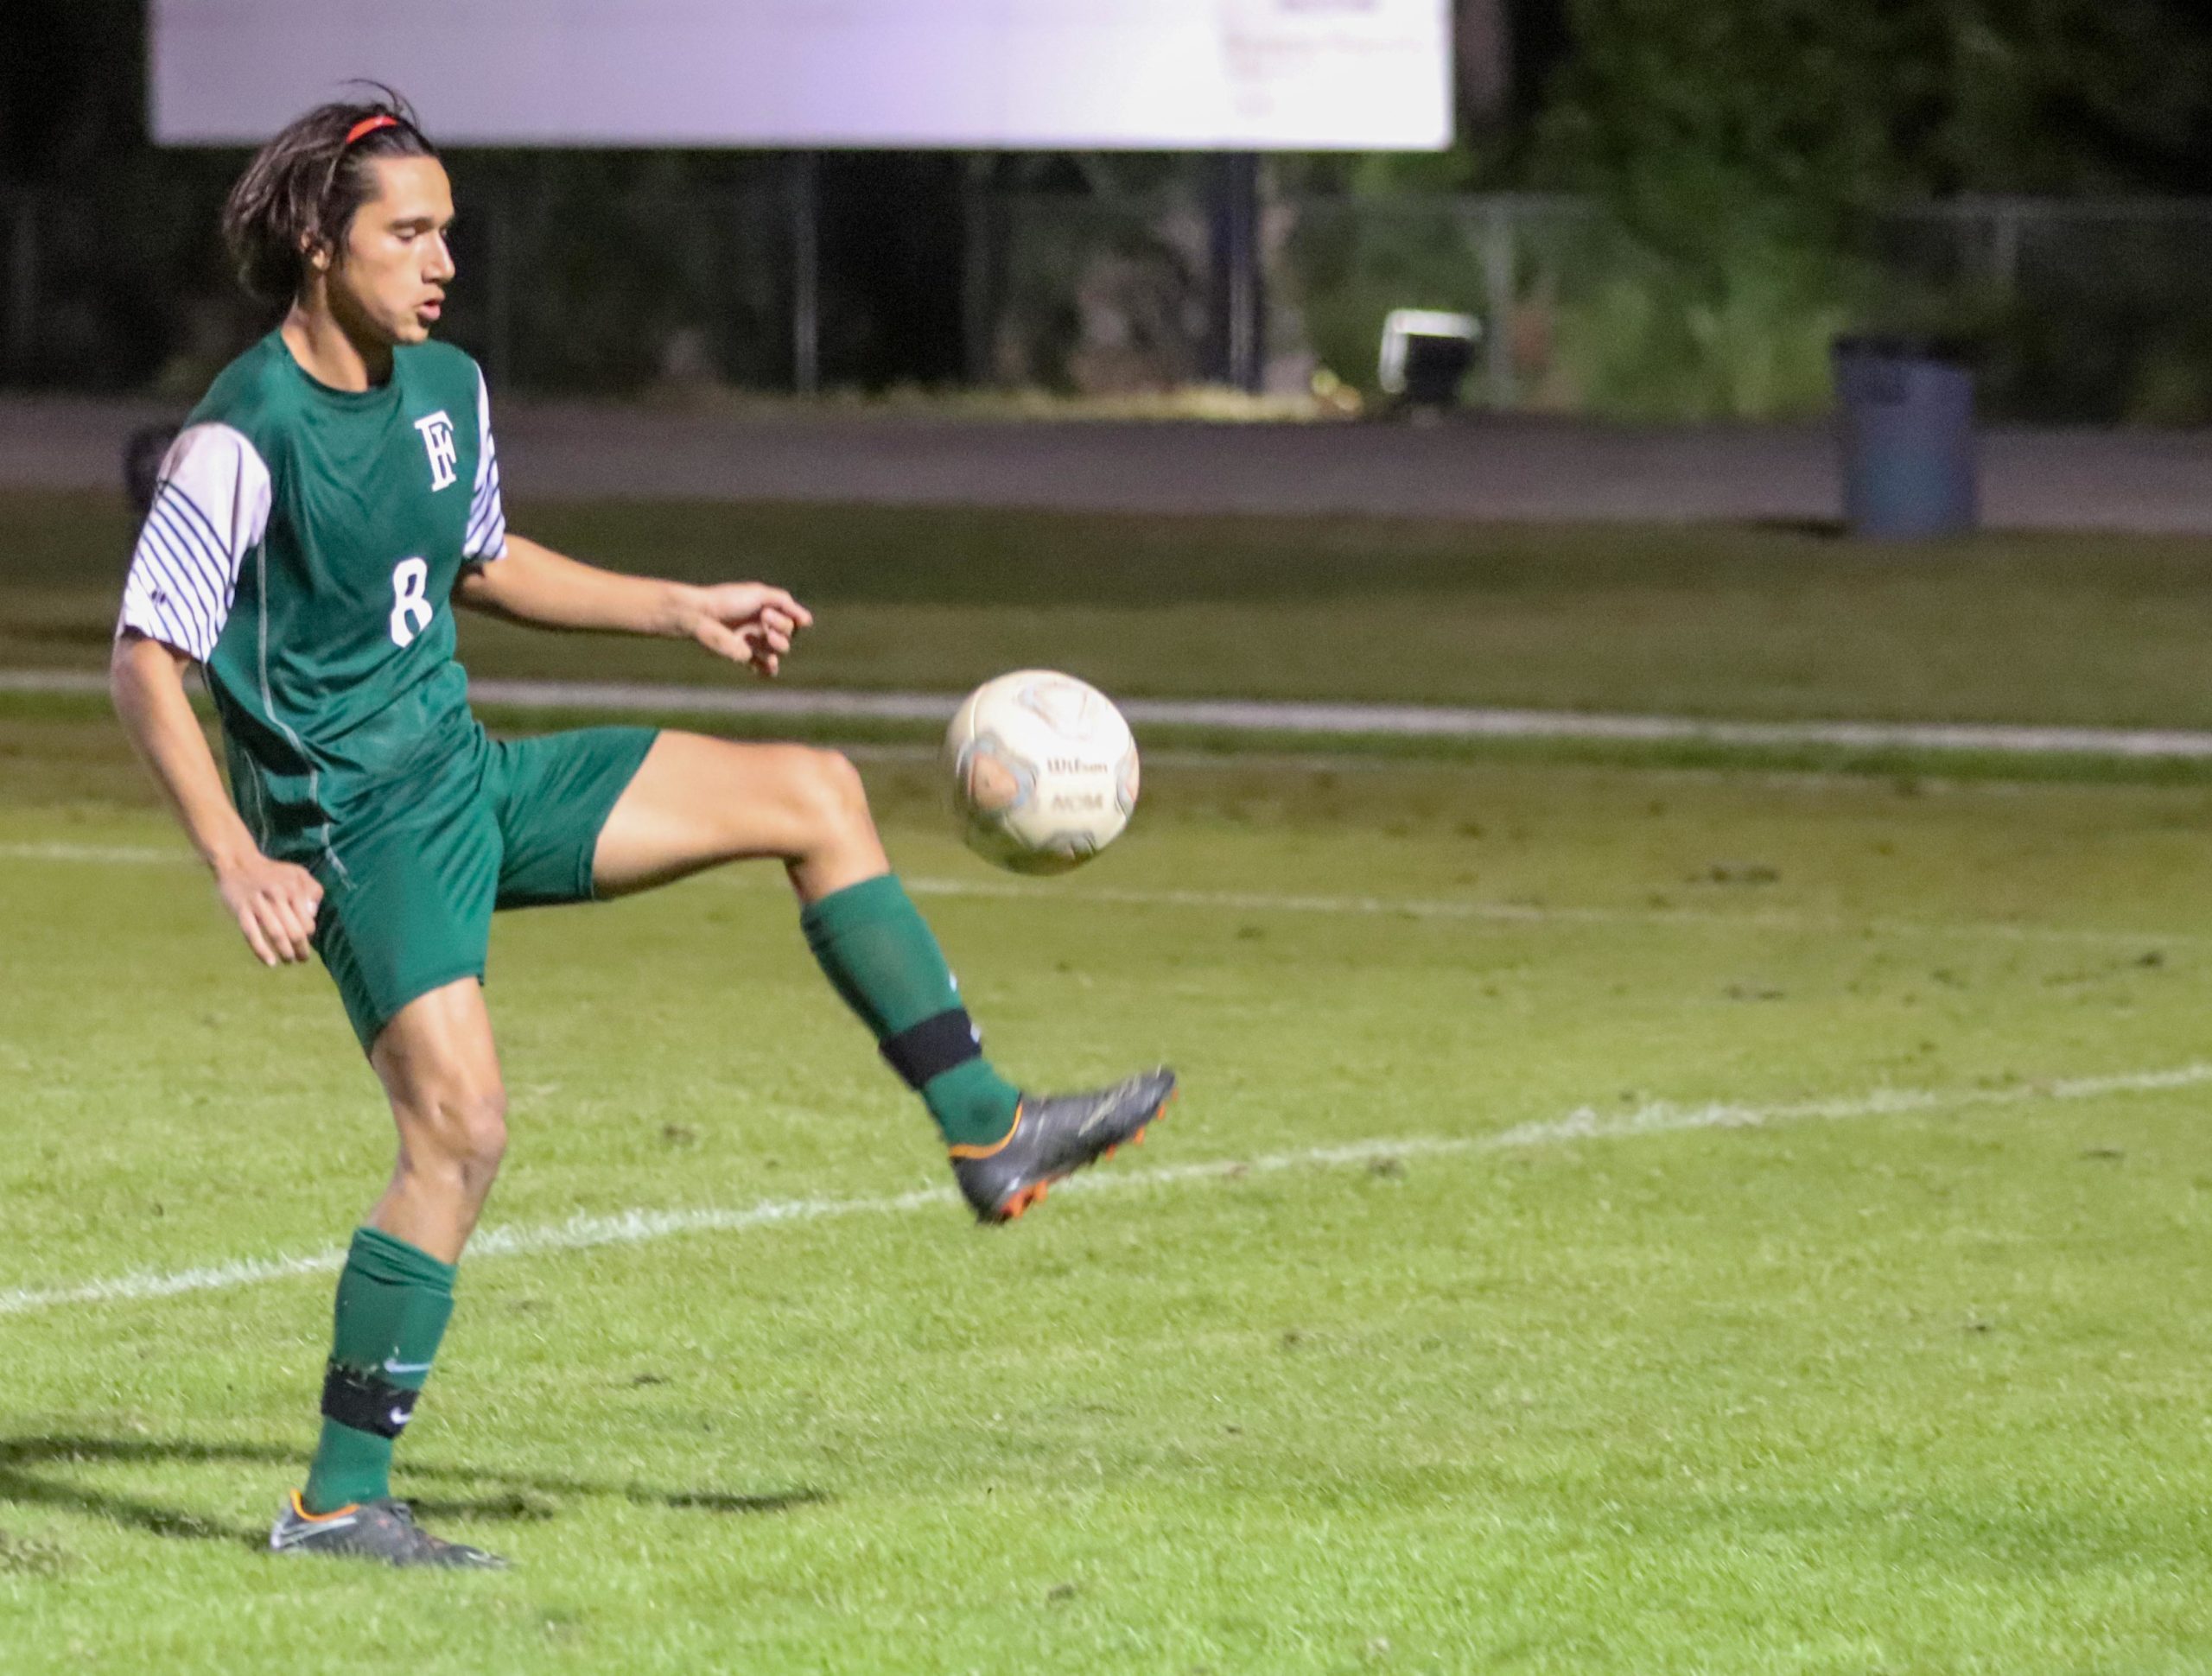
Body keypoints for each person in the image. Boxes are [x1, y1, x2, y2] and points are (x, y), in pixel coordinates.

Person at [109, 92, 1174, 1570]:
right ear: (313, 240)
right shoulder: (243, 435)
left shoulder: (448, 390)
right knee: (460, 1133)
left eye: (449, 235)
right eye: (409, 234)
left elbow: (480, 559)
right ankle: (337, 1502)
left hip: (468, 779)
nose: (442, 265)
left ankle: (989, 1128)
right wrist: (239, 853)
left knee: (815, 792)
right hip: (354, 828)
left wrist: (678, 605)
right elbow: (144, 656)